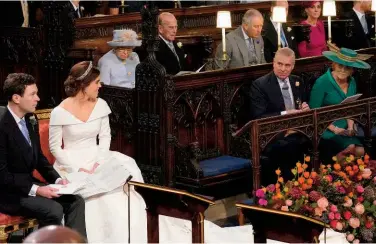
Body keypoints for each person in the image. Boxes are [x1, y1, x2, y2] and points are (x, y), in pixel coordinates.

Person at [50, 61, 254, 243]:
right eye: (97, 83)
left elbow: (105, 138)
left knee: (124, 183)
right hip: (71, 163)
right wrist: (78, 168)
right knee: (97, 200)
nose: (100, 86)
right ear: (84, 86)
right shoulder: (60, 111)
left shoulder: (101, 105)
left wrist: (98, 161)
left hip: (98, 157)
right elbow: (55, 147)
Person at [0, 73, 86, 237]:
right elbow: (2, 175)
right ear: (17, 98)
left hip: (27, 186)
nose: (38, 98)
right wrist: (37, 190)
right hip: (6, 193)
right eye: (32, 94)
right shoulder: (1, 125)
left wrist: (58, 180)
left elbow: (39, 158)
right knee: (53, 209)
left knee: (76, 201)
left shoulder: (31, 118)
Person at [250, 47, 310, 184]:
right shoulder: (260, 85)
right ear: (273, 63)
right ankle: (288, 188)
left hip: (298, 130)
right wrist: (286, 114)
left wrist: (304, 108)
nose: (283, 69)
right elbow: (258, 117)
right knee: (290, 146)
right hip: (273, 134)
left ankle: (308, 185)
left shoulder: (298, 81)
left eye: (287, 65)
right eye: (279, 64)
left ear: (293, 66)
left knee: (317, 141)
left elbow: (302, 104)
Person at [309, 45, 371, 161]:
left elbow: (350, 107)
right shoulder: (322, 82)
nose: (343, 70)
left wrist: (351, 127)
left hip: (345, 127)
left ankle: (351, 177)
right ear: (333, 64)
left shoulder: (352, 82)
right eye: (340, 65)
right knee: (350, 149)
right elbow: (313, 113)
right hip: (325, 128)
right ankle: (337, 177)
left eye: (347, 67)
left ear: (352, 70)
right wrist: (335, 129)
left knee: (360, 151)